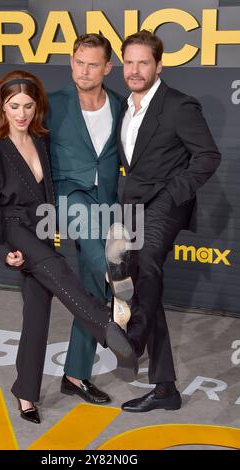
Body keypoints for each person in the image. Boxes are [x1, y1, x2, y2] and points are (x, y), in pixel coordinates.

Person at [0, 34, 132, 406]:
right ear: (72, 62)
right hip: (67, 197)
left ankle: (73, 375)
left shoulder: (121, 105)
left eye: (93, 64)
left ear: (108, 67)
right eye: (79, 62)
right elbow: (11, 129)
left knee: (80, 290)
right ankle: (113, 310)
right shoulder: (53, 105)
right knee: (99, 261)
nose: (84, 70)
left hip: (105, 198)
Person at [111, 30, 221, 412]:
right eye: (129, 62)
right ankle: (165, 388)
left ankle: (135, 339)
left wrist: (174, 194)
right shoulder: (124, 107)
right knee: (126, 274)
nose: (135, 70)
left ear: (159, 65)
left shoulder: (179, 105)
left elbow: (207, 156)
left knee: (147, 264)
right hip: (130, 205)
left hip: (165, 204)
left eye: (143, 62)